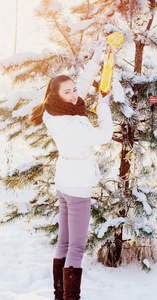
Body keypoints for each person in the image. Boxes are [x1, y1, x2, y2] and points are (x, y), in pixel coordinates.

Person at [29, 39, 113, 300]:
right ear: (56, 95)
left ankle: (59, 295)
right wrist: (105, 106)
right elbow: (105, 134)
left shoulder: (54, 110)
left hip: (65, 183)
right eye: (68, 92)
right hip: (77, 185)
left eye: (73, 89)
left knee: (64, 243)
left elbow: (84, 84)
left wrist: (98, 55)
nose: (75, 94)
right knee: (76, 247)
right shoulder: (70, 124)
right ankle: (70, 298)